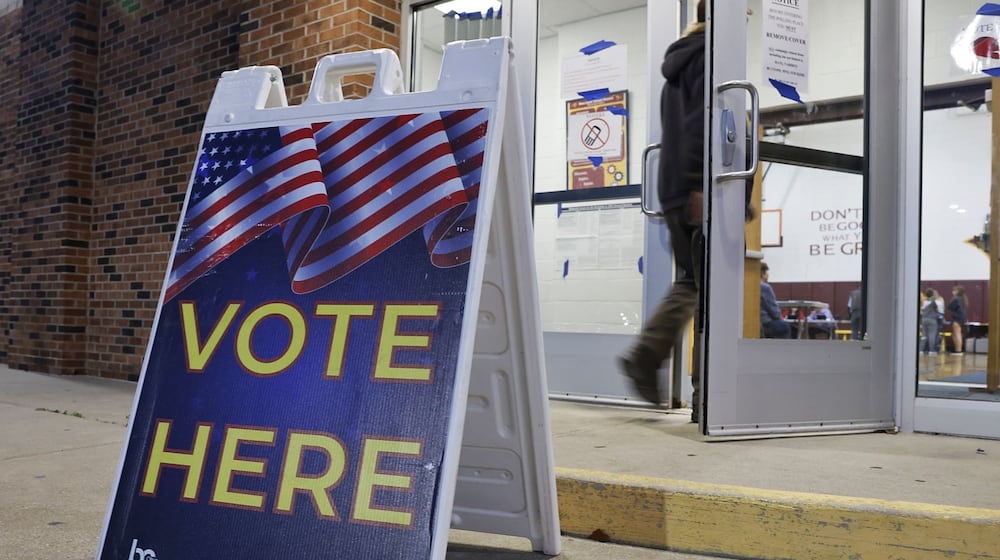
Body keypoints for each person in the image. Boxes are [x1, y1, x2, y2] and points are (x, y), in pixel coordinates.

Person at [617, 1, 707, 418]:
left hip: (675, 185)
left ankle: (658, 362)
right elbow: (699, 127)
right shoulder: (709, 56)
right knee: (701, 286)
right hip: (696, 188)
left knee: (694, 281)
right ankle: (651, 358)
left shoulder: (680, 61)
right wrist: (701, 186)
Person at [760, 262, 791, 339]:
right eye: (767, 272)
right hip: (765, 323)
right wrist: (781, 319)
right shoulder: (765, 287)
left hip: (755, 322)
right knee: (785, 327)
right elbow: (775, 312)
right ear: (763, 273)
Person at [920, 288, 943, 354]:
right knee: (932, 335)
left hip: (924, 319)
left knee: (924, 335)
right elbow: (937, 310)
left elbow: (922, 309)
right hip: (932, 319)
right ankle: (931, 350)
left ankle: (921, 350)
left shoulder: (923, 301)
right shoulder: (934, 302)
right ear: (932, 294)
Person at [948, 285, 968, 355]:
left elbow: (950, 307)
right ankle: (957, 349)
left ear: (958, 291)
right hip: (962, 318)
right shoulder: (963, 299)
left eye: (954, 290)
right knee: (955, 334)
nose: (953, 292)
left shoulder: (956, 299)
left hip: (957, 318)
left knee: (957, 334)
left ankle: (958, 350)